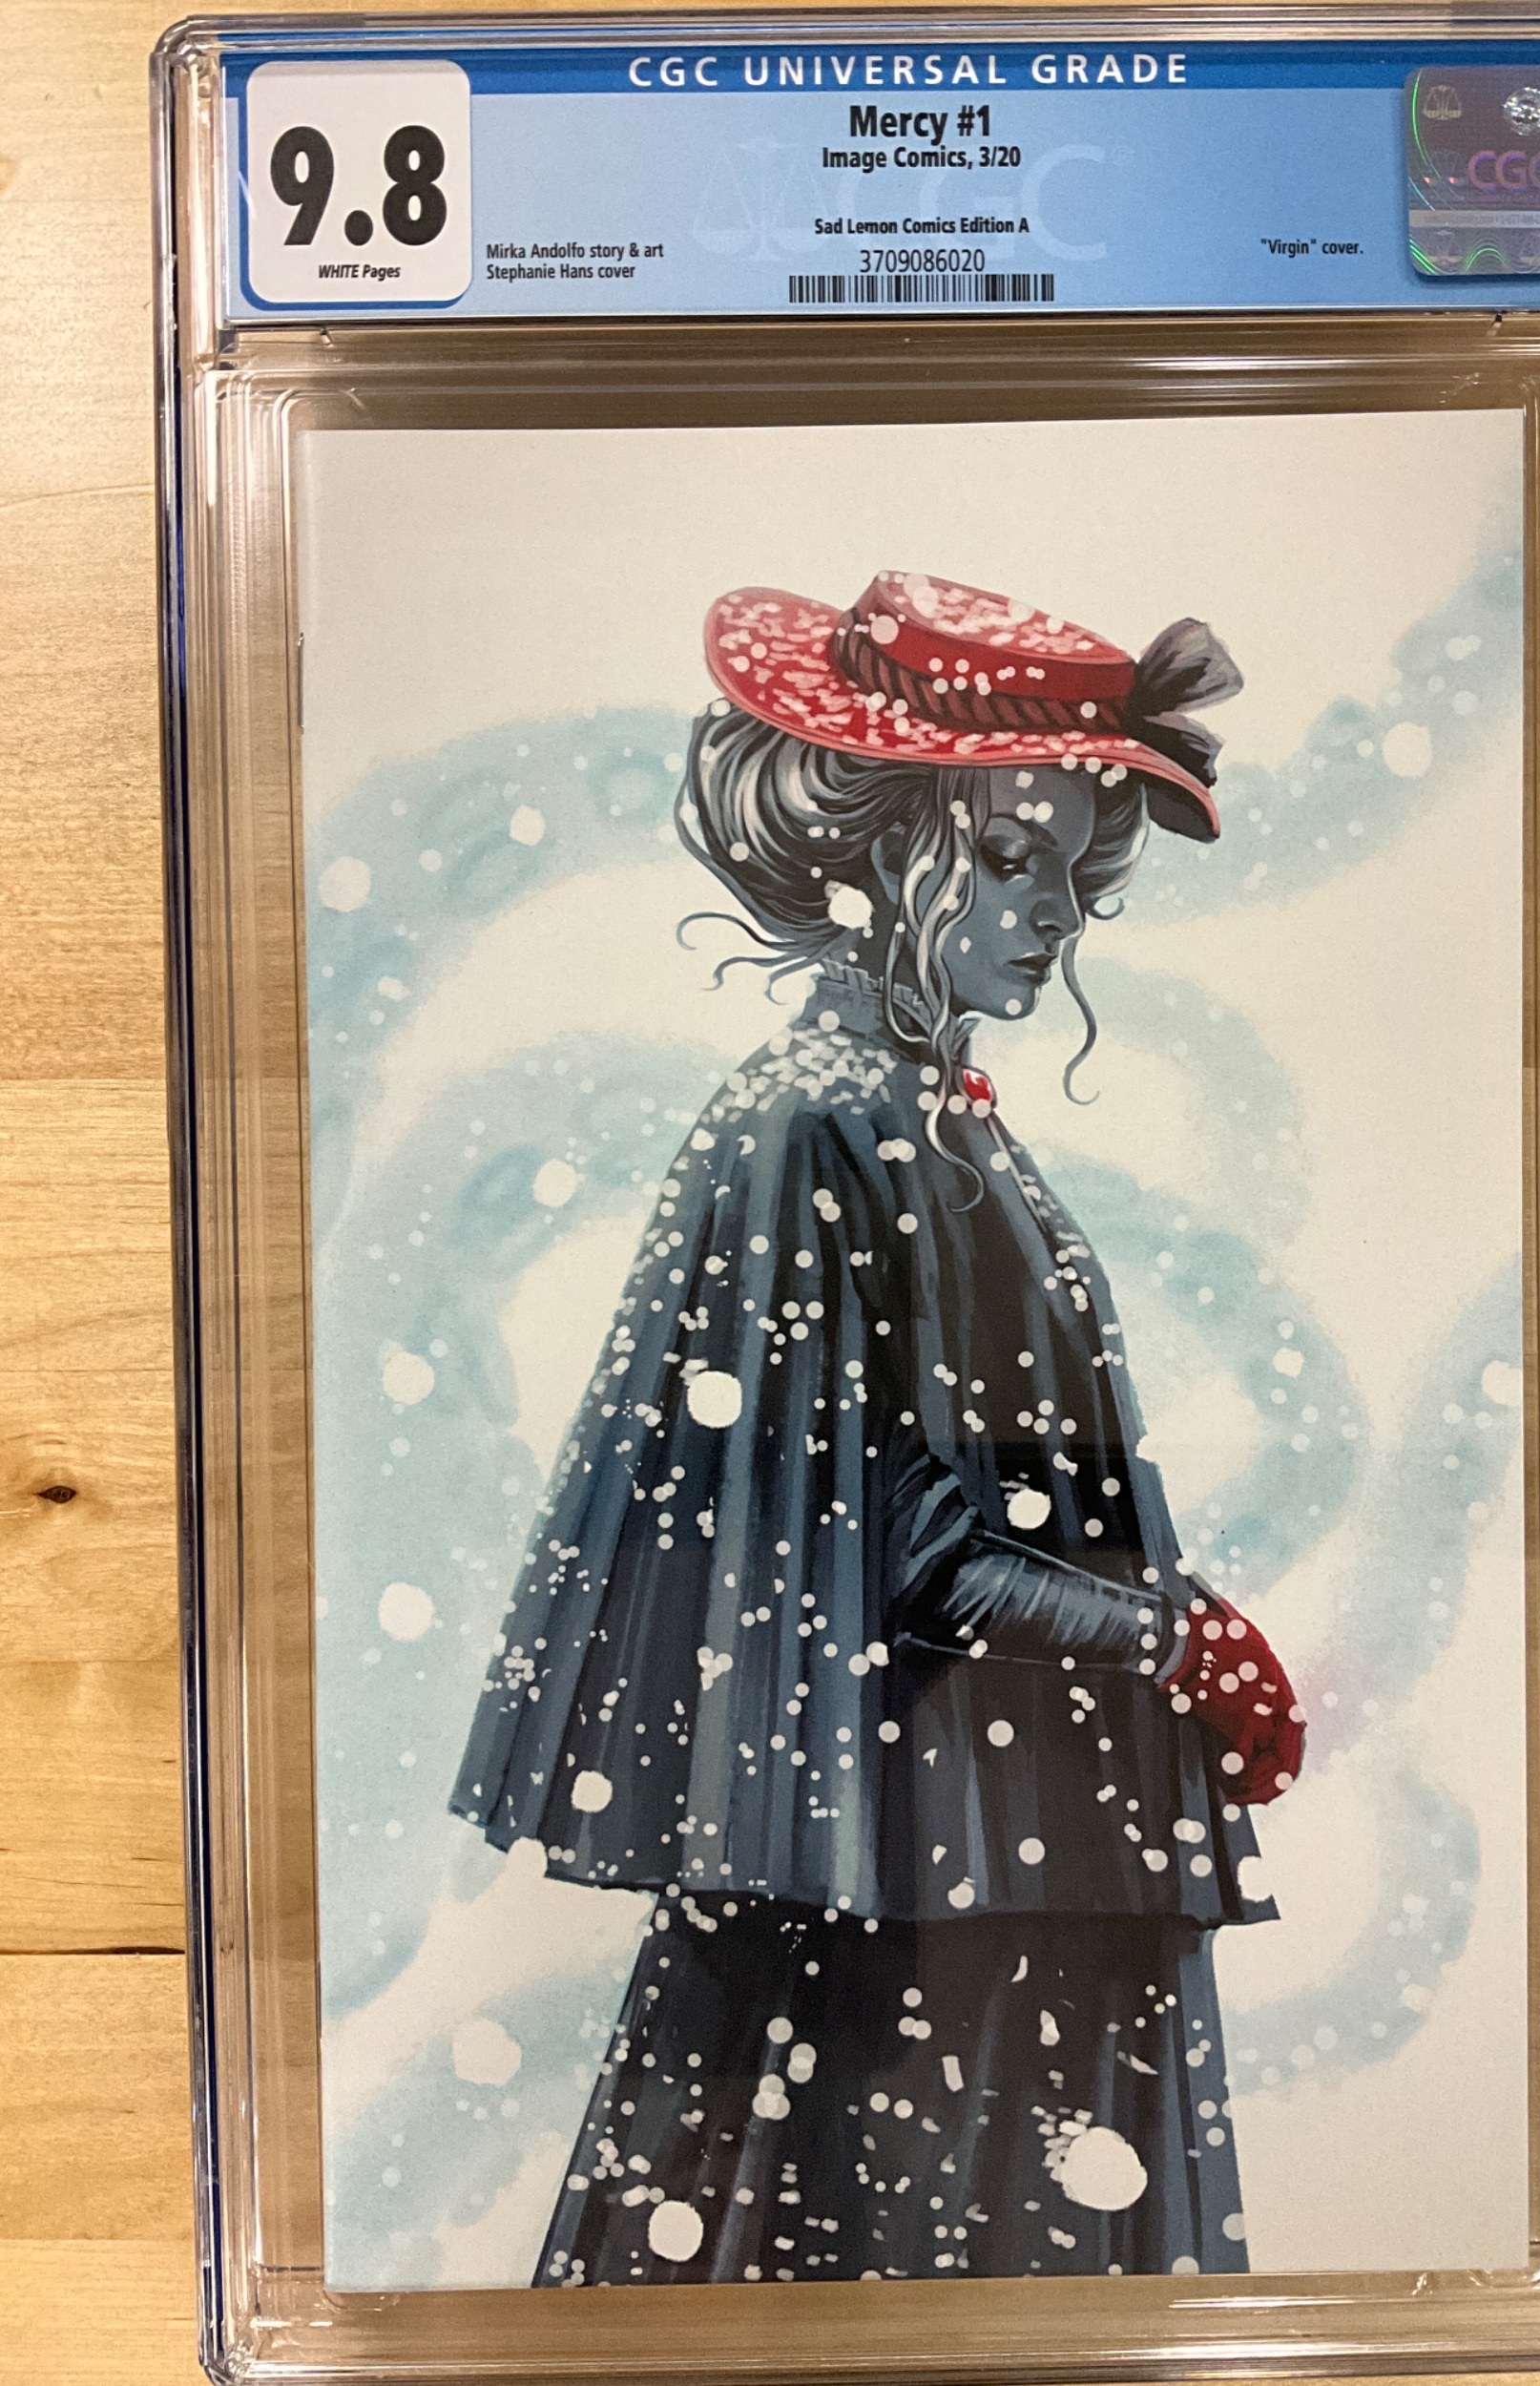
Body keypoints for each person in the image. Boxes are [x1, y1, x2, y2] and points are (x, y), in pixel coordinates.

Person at [451, 569, 1304, 2287]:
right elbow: (901, 1543)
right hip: (916, 1864)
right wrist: (1171, 1640)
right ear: (881, 848)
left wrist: (1163, 1638)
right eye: (1009, 858)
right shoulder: (818, 1122)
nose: (1052, 915)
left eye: (1077, 874)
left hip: (1001, 1842)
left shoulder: (928, 1116)